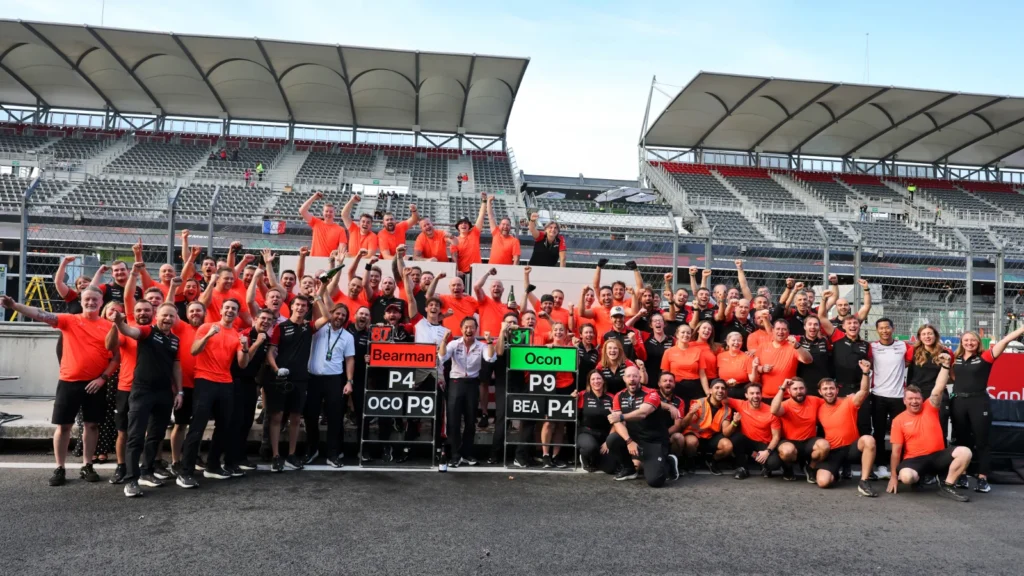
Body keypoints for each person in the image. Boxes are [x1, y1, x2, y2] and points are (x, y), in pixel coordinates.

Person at [2, 291, 119, 486]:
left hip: (95, 383)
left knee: (92, 425)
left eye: (94, 299)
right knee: (63, 426)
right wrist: (15, 306)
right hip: (69, 381)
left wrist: (103, 378)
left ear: (101, 303)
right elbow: (40, 313)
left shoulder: (108, 327)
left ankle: (87, 465)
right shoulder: (69, 320)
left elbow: (116, 357)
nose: (90, 302)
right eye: (87, 299)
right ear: (81, 302)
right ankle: (59, 467)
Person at [109, 303, 184, 497]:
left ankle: (146, 472)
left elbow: (176, 366)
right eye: (164, 315)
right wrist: (119, 322)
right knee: (135, 436)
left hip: (164, 393)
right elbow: (129, 331)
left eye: (171, 316)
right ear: (157, 315)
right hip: (142, 391)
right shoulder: (147, 331)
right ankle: (131, 481)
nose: (167, 319)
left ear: (175, 318)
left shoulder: (175, 339)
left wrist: (180, 392)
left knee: (156, 436)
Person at [178, 299, 253, 488]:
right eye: (227, 307)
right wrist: (208, 335)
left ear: (237, 313)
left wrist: (244, 347)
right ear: (221, 310)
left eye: (234, 309)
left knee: (224, 427)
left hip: (226, 384)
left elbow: (242, 364)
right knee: (198, 426)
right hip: (204, 381)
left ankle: (212, 466)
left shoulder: (237, 335)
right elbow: (194, 351)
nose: (230, 311)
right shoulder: (206, 327)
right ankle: (185, 472)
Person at [944, 325, 1024, 493]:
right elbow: (954, 378)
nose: (969, 343)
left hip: (979, 402)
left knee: (982, 442)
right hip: (958, 402)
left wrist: (1022, 328)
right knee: (961, 441)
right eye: (966, 340)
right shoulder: (956, 358)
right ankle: (962, 475)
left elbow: (1006, 340)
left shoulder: (985, 357)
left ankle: (982, 478)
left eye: (973, 340)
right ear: (961, 342)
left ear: (978, 342)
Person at [887, 380, 973, 502]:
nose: (914, 401)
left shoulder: (930, 407)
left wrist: (945, 366)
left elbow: (939, 387)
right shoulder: (898, 420)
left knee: (965, 452)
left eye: (917, 398)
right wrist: (894, 477)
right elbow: (896, 452)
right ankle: (921, 477)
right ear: (904, 401)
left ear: (922, 399)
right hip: (914, 459)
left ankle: (947, 486)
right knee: (906, 477)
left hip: (937, 457)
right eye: (910, 398)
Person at [265, 295, 319, 472]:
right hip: (280, 378)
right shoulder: (281, 327)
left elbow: (325, 318)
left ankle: (291, 454)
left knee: (295, 418)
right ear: (291, 307)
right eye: (298, 305)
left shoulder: (308, 326)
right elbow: (271, 352)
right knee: (277, 417)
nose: (301, 308)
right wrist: (276, 369)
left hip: (301, 378)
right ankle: (275, 456)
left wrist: (319, 296)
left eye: (304, 305)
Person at [305, 292, 356, 468]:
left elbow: (350, 359)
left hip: (335, 380)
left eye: (343, 315)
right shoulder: (319, 328)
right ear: (331, 313)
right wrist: (319, 294)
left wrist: (349, 381)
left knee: (335, 418)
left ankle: (333, 454)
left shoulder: (348, 336)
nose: (340, 317)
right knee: (310, 416)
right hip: (313, 378)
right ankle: (312, 450)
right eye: (337, 313)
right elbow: (317, 312)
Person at [439, 317, 496, 467]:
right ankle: (455, 455)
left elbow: (490, 358)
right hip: (456, 383)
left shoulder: (481, 345)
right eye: (466, 327)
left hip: (472, 384)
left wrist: (490, 342)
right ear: (461, 329)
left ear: (476, 329)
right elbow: (441, 356)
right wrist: (444, 341)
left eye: (472, 327)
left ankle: (467, 453)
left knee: (471, 421)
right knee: (454, 421)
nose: (469, 330)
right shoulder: (453, 344)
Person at [815, 363, 878, 497]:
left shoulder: (848, 401)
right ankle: (836, 472)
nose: (829, 392)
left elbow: (864, 392)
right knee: (823, 482)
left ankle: (864, 481)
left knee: (868, 440)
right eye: (825, 389)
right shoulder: (818, 407)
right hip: (833, 451)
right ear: (820, 392)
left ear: (837, 390)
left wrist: (866, 373)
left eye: (831, 388)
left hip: (851, 449)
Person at [606, 366, 675, 487]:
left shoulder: (652, 393)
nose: (632, 379)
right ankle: (629, 470)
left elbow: (643, 413)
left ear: (640, 378)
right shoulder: (619, 396)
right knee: (612, 439)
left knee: (655, 481)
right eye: (629, 376)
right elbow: (617, 423)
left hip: (654, 441)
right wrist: (628, 441)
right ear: (624, 379)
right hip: (635, 440)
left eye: (635, 376)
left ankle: (668, 462)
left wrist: (621, 417)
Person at [818, 301, 871, 434]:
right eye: (849, 324)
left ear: (859, 326)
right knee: (842, 424)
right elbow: (822, 318)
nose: (853, 326)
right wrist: (824, 300)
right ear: (843, 327)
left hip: (860, 389)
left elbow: (871, 365)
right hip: (841, 389)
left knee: (863, 425)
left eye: (855, 323)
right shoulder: (837, 339)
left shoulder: (866, 345)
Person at [869, 318, 909, 480]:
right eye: (881, 328)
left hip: (899, 396)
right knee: (878, 432)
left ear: (893, 329)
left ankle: (899, 464)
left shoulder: (903, 346)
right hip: (878, 395)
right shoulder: (873, 347)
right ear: (877, 330)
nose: (884, 331)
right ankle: (881, 464)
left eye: (887, 327)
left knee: (899, 433)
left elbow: (909, 361)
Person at [770, 378, 830, 482]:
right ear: (789, 391)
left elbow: (831, 402)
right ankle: (788, 468)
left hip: (809, 441)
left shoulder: (815, 400)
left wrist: (847, 398)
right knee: (787, 451)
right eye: (795, 389)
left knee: (824, 446)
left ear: (805, 389)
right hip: (789, 441)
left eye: (801, 388)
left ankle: (810, 468)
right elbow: (773, 410)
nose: (799, 391)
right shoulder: (785, 405)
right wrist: (782, 388)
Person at [680, 379, 738, 475]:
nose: (720, 390)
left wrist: (734, 423)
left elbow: (726, 432)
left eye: (723, 388)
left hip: (712, 436)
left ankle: (712, 461)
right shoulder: (699, 403)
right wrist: (690, 413)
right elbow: (683, 425)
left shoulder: (727, 409)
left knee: (728, 446)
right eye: (717, 388)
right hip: (696, 433)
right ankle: (690, 461)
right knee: (691, 442)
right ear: (710, 390)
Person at [906, 325, 952, 445]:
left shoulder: (946, 352)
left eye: (930, 333)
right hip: (918, 393)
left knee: (940, 426)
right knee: (917, 427)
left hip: (938, 394)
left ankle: (941, 457)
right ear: (920, 337)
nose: (927, 336)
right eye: (924, 334)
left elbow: (952, 375)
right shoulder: (913, 351)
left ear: (935, 335)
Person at [726, 382, 783, 479]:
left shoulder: (771, 411)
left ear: (761, 395)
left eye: (758, 393)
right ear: (746, 395)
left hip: (764, 445)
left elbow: (776, 436)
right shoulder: (741, 404)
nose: (755, 396)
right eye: (752, 393)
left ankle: (764, 465)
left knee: (774, 463)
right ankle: (743, 468)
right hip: (748, 445)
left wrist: (767, 452)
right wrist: (727, 385)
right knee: (736, 438)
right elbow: (721, 398)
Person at [755, 319, 814, 400]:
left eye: (784, 329)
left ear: (788, 332)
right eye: (778, 329)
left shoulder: (793, 347)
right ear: (773, 330)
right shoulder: (762, 347)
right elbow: (753, 367)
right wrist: (762, 368)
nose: (780, 332)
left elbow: (808, 360)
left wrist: (797, 346)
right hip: (766, 396)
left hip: (787, 396)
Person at [575, 370, 616, 473]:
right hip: (586, 432)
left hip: (605, 434)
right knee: (590, 448)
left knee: (610, 468)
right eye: (593, 379)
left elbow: (616, 421)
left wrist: (608, 441)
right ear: (589, 382)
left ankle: (596, 459)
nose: (596, 381)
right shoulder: (583, 395)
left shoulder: (612, 397)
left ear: (603, 381)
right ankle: (584, 458)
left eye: (598, 378)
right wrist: (572, 398)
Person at [660, 324, 708, 403]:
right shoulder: (668, 352)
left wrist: (707, 392)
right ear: (677, 335)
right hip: (676, 387)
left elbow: (702, 375)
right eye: (683, 332)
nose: (685, 335)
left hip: (694, 387)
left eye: (688, 333)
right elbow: (664, 374)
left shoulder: (698, 351)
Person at [299, 191, 347, 257]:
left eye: (331, 212)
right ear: (323, 212)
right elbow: (302, 210)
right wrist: (314, 197)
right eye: (326, 211)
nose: (328, 213)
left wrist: (338, 254)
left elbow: (342, 248)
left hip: (330, 261)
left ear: (334, 213)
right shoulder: (316, 222)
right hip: (314, 259)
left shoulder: (340, 230)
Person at [449, 193, 487, 275]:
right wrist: (456, 271)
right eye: (461, 223)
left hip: (477, 270)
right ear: (458, 227)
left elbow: (481, 216)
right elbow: (454, 257)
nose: (463, 225)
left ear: (469, 226)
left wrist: (484, 201)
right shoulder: (455, 240)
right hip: (463, 272)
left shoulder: (474, 233)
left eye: (466, 223)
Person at [796, 316, 832, 397]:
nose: (813, 327)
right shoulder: (798, 340)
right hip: (804, 386)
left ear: (819, 328)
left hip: (823, 387)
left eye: (816, 324)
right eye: (810, 324)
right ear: (805, 327)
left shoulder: (825, 341)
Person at [717, 332, 756, 399]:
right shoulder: (720, 356)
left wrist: (755, 367)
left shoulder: (747, 357)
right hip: (723, 390)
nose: (736, 342)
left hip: (741, 391)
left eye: (739, 340)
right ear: (728, 342)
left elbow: (752, 379)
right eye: (733, 340)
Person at [486, 195, 521, 265]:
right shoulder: (496, 233)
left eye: (507, 225)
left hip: (506, 271)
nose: (505, 226)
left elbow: (516, 259)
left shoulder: (514, 241)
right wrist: (488, 201)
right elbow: (490, 216)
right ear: (499, 226)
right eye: (503, 224)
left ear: (510, 227)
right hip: (491, 269)